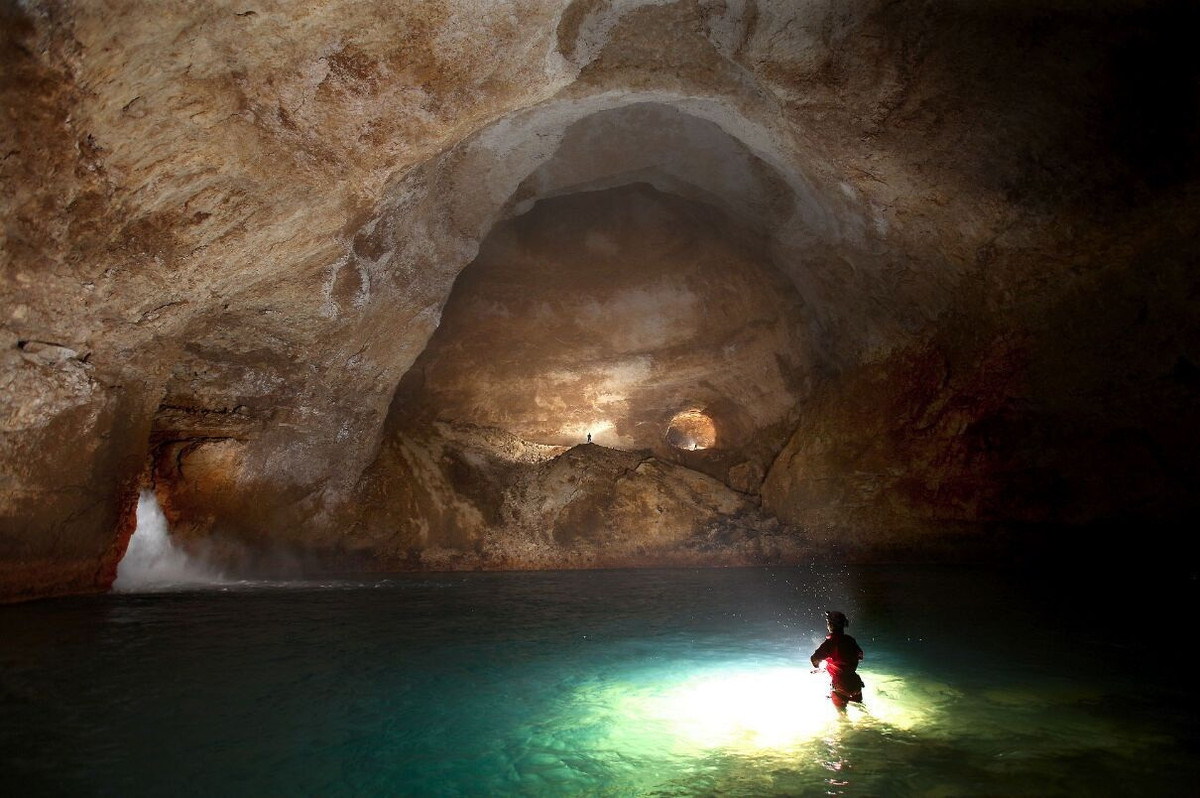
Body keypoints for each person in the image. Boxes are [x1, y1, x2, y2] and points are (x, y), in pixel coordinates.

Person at [810, 610, 864, 709]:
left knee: (842, 716)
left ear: (831, 625)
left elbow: (814, 660)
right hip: (855, 683)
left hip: (840, 686)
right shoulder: (850, 640)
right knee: (862, 710)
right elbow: (860, 656)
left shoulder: (830, 643)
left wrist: (819, 665)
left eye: (828, 622)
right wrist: (827, 667)